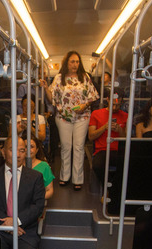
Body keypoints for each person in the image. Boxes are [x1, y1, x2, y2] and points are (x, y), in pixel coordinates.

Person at [41, 51, 99, 191]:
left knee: (78, 147)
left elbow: (92, 96)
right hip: (63, 117)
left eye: (77, 62)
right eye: (72, 61)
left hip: (82, 117)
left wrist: (84, 106)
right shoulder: (59, 78)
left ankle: (77, 179)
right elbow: (51, 98)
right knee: (66, 147)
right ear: (67, 63)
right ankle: (65, 176)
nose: (75, 64)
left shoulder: (84, 77)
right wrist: (45, 87)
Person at [88, 87, 128, 190]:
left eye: (118, 105)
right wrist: (104, 127)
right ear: (108, 100)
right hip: (102, 150)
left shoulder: (125, 116)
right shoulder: (96, 114)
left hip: (119, 150)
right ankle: (111, 189)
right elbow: (91, 136)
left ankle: (114, 188)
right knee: (97, 166)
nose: (115, 108)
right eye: (113, 105)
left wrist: (119, 129)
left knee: (127, 166)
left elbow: (127, 139)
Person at [21, 131, 54, 200]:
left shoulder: (44, 166)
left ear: (37, 150)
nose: (28, 150)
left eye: (32, 147)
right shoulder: (17, 165)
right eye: (25, 146)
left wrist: (36, 198)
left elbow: (50, 191)